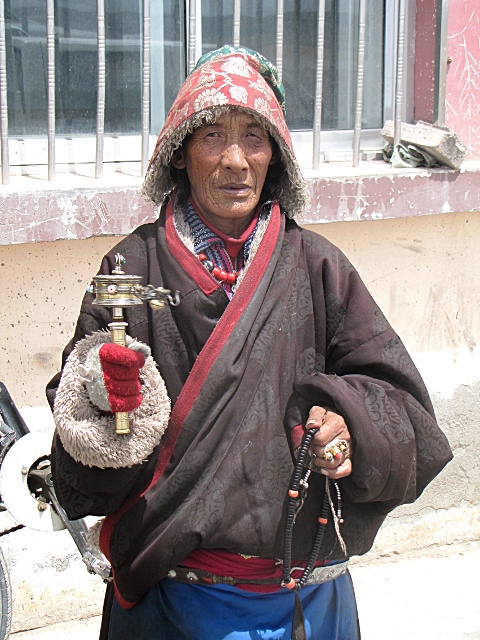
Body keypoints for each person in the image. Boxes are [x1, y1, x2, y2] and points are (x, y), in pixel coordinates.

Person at [48, 46, 452, 640]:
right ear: (181, 152)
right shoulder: (132, 266)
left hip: (304, 599)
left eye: (254, 139)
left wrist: (347, 424)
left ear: (275, 157)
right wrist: (107, 399)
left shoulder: (318, 267)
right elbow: (80, 418)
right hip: (171, 593)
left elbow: (406, 409)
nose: (235, 160)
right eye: (212, 136)